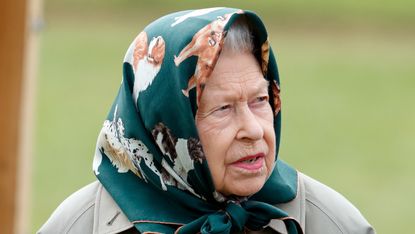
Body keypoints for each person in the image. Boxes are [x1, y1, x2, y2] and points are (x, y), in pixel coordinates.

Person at [38, 8, 375, 234]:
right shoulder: (81, 225)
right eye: (223, 109)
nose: (254, 130)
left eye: (260, 101)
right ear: (165, 125)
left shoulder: (327, 221)